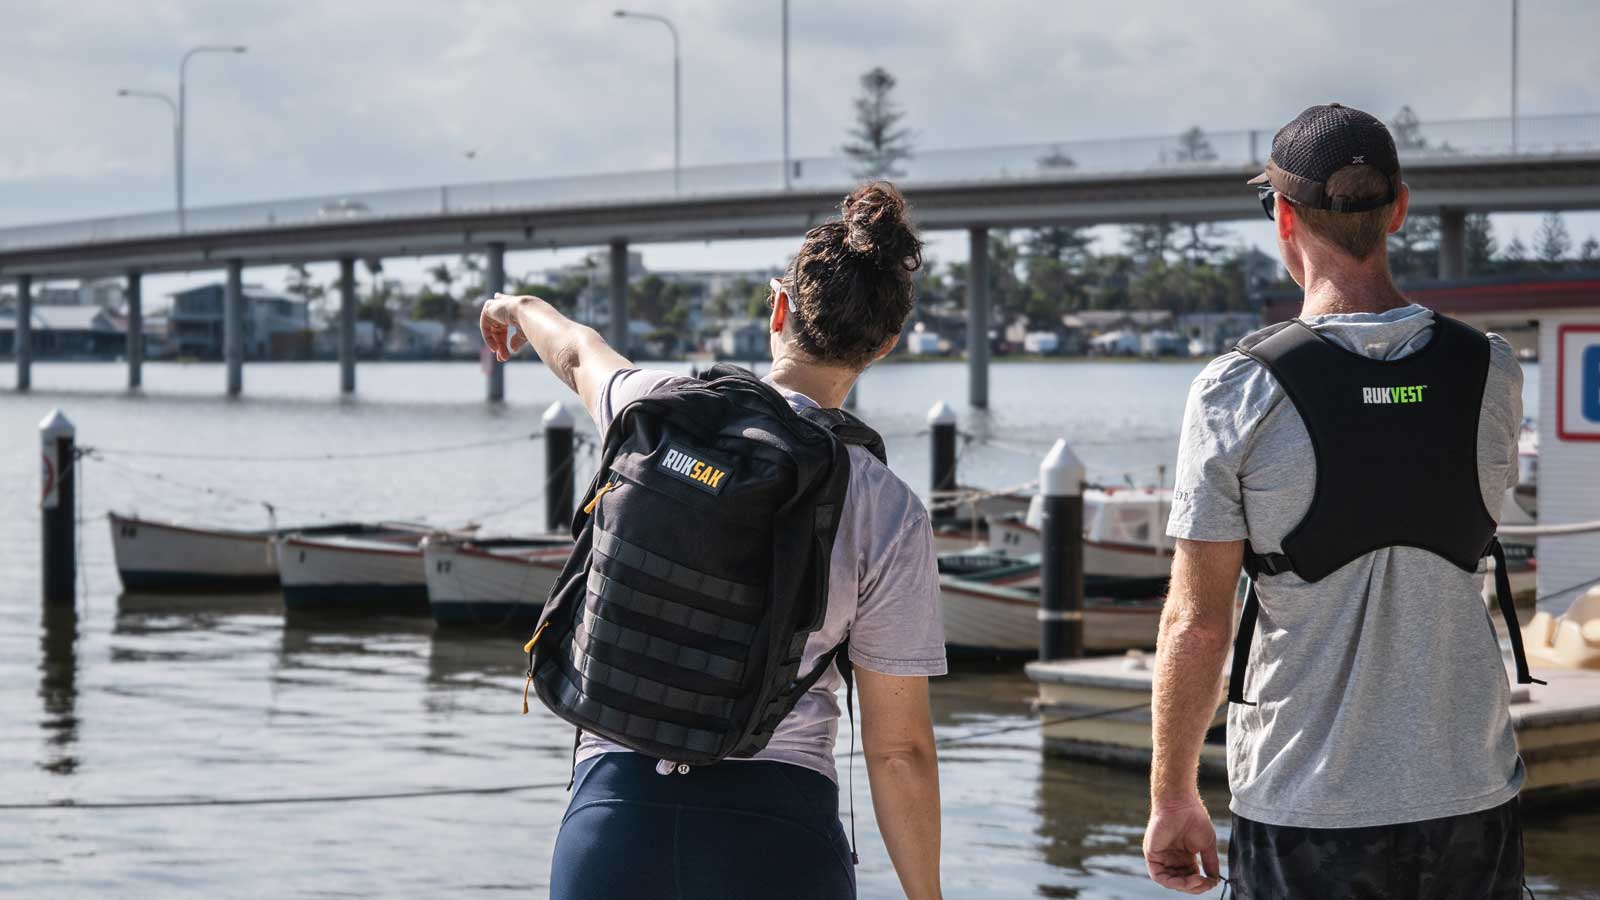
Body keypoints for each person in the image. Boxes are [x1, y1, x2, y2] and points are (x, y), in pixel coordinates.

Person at [480, 181, 945, 900]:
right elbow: (899, 751)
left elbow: (575, 351)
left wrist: (513, 308)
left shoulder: (653, 409)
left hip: (612, 826)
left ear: (779, 308)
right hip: (776, 839)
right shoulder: (886, 508)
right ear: (884, 345)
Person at [1143, 104, 1531, 898]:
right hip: (1471, 794)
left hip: (1304, 800)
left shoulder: (1238, 390)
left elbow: (1197, 619)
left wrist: (1173, 794)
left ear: (1282, 215)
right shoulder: (1491, 371)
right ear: (1400, 208)